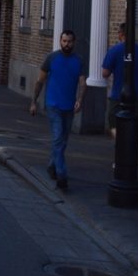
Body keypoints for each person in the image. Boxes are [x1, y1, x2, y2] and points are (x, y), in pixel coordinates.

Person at [29, 30, 86, 190]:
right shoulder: (51, 58)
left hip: (69, 106)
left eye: (69, 41)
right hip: (53, 104)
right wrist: (34, 102)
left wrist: (80, 100)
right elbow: (40, 81)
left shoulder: (79, 61)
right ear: (60, 41)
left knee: (64, 140)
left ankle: (52, 165)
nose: (67, 44)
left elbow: (82, 83)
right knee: (57, 138)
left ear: (74, 43)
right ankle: (62, 174)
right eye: (64, 41)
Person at [101, 22, 138, 137]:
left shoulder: (114, 51)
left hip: (118, 95)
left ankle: (121, 146)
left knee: (114, 125)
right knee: (134, 128)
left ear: (121, 34)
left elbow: (105, 73)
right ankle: (129, 149)